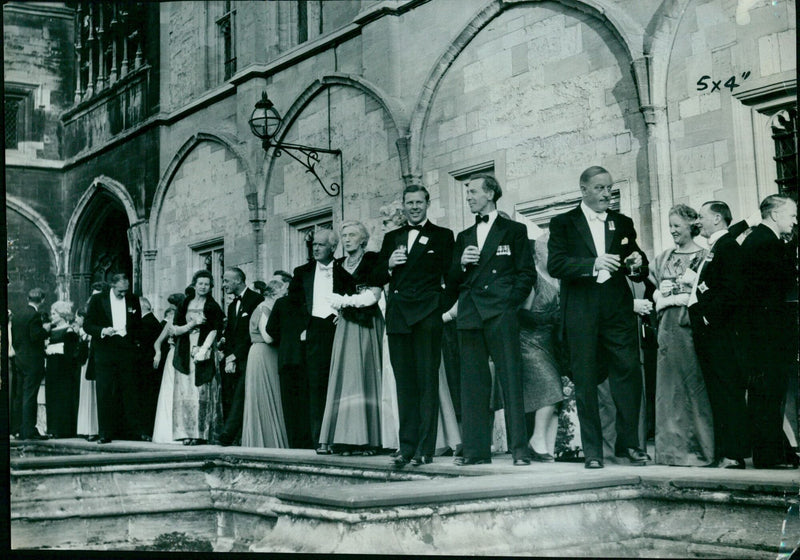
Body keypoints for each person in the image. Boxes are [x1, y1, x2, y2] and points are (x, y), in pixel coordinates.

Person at [547, 166, 649, 469]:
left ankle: (629, 444)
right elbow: (556, 265)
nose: (607, 194)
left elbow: (637, 264)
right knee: (586, 380)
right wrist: (592, 263)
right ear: (584, 190)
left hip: (617, 311)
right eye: (601, 188)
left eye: (610, 188)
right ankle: (592, 452)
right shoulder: (563, 223)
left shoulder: (622, 222)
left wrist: (636, 263)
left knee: (629, 372)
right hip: (581, 312)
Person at [449, 174, 535, 466]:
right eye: (467, 192)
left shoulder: (514, 230)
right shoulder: (463, 237)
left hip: (500, 312)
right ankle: (475, 451)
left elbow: (526, 274)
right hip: (471, 313)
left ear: (489, 193)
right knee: (472, 384)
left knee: (511, 380)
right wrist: (461, 264)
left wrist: (509, 305)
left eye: (473, 191)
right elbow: (450, 281)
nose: (469, 196)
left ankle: (519, 450)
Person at [375, 185, 456, 467]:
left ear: (427, 204)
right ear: (404, 206)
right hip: (399, 318)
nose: (414, 207)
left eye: (419, 202)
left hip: (426, 316)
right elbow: (371, 275)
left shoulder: (443, 236)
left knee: (426, 381)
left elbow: (453, 277)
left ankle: (424, 448)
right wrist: (387, 264)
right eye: (409, 203)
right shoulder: (391, 238)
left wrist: (438, 306)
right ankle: (405, 447)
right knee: (404, 384)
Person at [649, 204, 715, 466]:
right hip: (667, 326)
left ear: (691, 226)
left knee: (694, 385)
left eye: (677, 225)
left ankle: (700, 450)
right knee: (669, 389)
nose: (672, 230)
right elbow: (652, 288)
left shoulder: (705, 255)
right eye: (670, 225)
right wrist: (660, 295)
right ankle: (670, 452)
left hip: (691, 325)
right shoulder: (664, 257)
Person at [687, 200, 749, 469]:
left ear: (717, 218)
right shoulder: (715, 247)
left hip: (720, 334)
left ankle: (733, 454)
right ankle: (727, 451)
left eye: (702, 217)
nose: (698, 222)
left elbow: (732, 291)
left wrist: (706, 314)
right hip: (710, 331)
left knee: (727, 391)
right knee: (718, 391)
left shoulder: (728, 248)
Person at [740, 194, 799, 469]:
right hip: (768, 335)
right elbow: (775, 292)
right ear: (775, 215)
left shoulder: (761, 240)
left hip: (762, 333)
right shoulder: (765, 243)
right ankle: (768, 455)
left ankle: (773, 451)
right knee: (768, 393)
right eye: (792, 215)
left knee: (769, 394)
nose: (794, 221)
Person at [317, 221, 385, 456]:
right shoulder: (338, 265)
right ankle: (344, 438)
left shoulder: (373, 259)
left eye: (352, 235)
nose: (347, 239)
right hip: (346, 324)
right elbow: (335, 293)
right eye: (344, 235)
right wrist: (340, 305)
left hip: (367, 322)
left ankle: (370, 439)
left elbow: (373, 294)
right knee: (346, 377)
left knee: (365, 374)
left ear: (363, 239)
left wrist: (344, 301)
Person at [287, 228, 340, 453]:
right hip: (315, 332)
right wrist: (303, 328)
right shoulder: (302, 272)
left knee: (339, 384)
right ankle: (320, 438)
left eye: (321, 245)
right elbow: (293, 304)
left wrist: (344, 314)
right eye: (314, 245)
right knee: (317, 386)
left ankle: (341, 438)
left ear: (333, 248)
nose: (316, 248)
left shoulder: (343, 268)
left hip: (339, 328)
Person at [518, 231, 565, 462]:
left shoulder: (558, 279)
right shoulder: (533, 278)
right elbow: (522, 313)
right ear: (538, 254)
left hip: (550, 344)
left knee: (555, 398)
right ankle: (536, 440)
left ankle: (547, 447)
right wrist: (547, 319)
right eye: (550, 251)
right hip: (530, 342)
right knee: (551, 390)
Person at [83, 272, 145, 443]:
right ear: (112, 286)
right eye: (120, 291)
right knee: (105, 391)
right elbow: (87, 325)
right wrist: (103, 330)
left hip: (126, 349)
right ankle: (105, 432)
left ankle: (132, 431)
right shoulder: (98, 300)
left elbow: (137, 324)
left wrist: (134, 341)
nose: (123, 294)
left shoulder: (133, 299)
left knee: (129, 389)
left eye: (126, 291)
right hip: (105, 350)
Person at [171, 270, 225, 445]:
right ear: (194, 285)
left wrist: (203, 350)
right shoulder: (184, 304)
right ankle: (185, 432)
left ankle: (200, 433)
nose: (203, 287)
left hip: (203, 351)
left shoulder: (212, 306)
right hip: (185, 350)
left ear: (211, 287)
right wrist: (192, 324)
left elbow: (215, 330)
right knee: (185, 392)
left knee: (201, 391)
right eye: (200, 283)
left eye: (207, 284)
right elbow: (175, 329)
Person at [216, 267, 264, 446]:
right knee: (229, 394)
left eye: (226, 281)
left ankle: (227, 435)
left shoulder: (256, 300)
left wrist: (235, 356)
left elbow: (250, 333)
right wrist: (227, 356)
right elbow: (230, 333)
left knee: (240, 395)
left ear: (237, 280)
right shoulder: (230, 305)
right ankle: (235, 435)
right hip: (233, 359)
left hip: (250, 356)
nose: (223, 285)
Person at [266, 275, 312, 449]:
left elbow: (271, 329)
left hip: (286, 358)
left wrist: (285, 339)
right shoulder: (309, 304)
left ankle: (294, 442)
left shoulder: (281, 304)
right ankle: (308, 440)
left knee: (289, 404)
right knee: (306, 401)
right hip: (306, 357)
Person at [242, 279, 289, 448]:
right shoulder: (264, 308)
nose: (285, 298)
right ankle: (267, 441)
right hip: (263, 353)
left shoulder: (267, 308)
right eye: (283, 294)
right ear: (273, 294)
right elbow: (268, 336)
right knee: (265, 394)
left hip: (264, 353)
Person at [13, 288, 53, 440]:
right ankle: (28, 430)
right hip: (32, 361)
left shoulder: (18, 315)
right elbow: (35, 336)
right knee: (30, 395)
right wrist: (46, 329)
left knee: (20, 395)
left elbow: (16, 339)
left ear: (27, 298)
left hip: (20, 359)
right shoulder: (34, 315)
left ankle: (19, 429)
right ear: (42, 300)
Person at [151, 293, 186, 444]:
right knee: (169, 392)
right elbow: (157, 341)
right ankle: (167, 432)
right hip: (173, 356)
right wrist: (158, 353)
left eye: (174, 307)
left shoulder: (187, 319)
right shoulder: (171, 320)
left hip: (185, 358)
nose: (171, 311)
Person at [43, 301, 81, 438]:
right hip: (52, 369)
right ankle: (53, 428)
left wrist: (54, 349)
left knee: (62, 398)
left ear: (62, 315)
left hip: (63, 371)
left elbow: (70, 354)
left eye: (54, 314)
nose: (52, 316)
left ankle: (63, 430)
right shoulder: (50, 331)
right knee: (52, 397)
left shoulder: (69, 331)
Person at [138, 297, 163, 435]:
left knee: (147, 399)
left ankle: (146, 430)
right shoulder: (151, 321)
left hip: (146, 367)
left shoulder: (146, 322)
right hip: (149, 367)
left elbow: (143, 346)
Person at [74, 308, 98, 440]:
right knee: (86, 395)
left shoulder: (88, 332)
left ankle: (92, 428)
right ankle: (85, 428)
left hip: (91, 363)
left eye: (78, 317)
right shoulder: (82, 332)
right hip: (85, 364)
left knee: (91, 394)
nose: (76, 320)